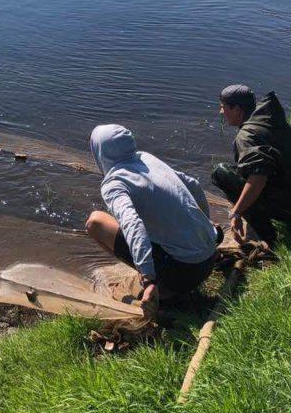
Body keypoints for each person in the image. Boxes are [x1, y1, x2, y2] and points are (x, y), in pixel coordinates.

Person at [85, 124, 221, 309]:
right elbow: (193, 184)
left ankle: (162, 288)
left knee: (96, 222)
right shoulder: (145, 158)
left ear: (100, 152)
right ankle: (157, 273)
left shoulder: (113, 183)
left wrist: (149, 278)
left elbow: (133, 224)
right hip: (209, 256)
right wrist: (206, 225)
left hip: (185, 273)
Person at [213, 85, 291, 246]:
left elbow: (259, 177)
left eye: (224, 107)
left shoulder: (246, 136)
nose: (222, 112)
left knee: (221, 172)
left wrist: (236, 213)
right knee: (247, 169)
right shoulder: (275, 122)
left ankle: (268, 236)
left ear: (237, 109)